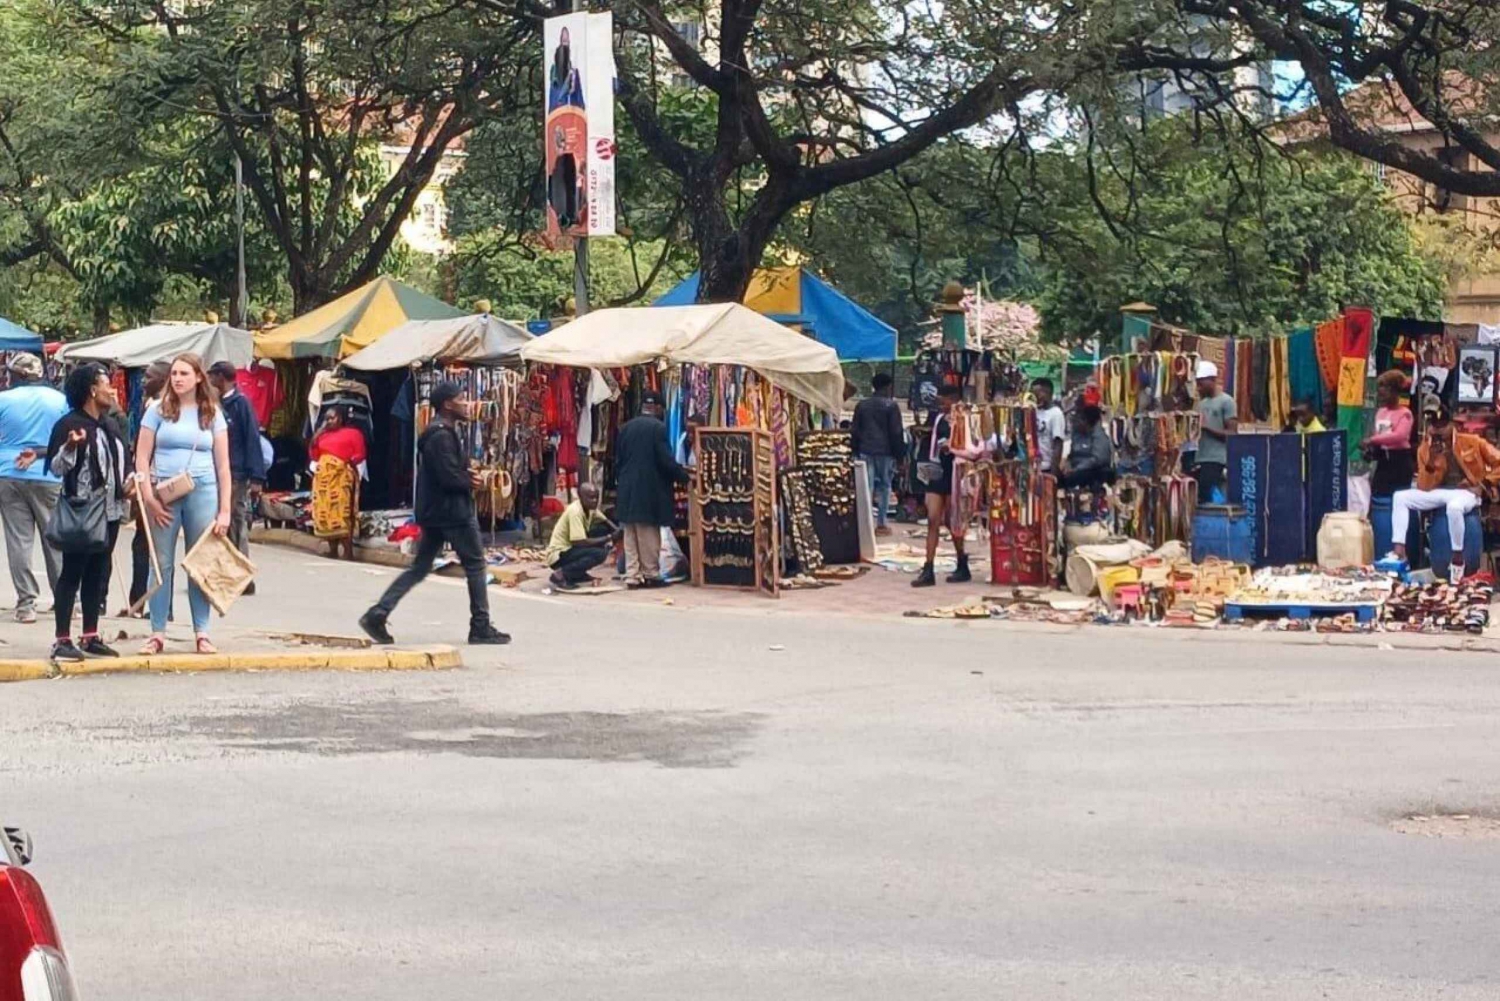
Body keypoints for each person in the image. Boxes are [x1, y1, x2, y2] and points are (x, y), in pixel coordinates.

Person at [359, 381, 508, 646]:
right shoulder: (441, 436)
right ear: (448, 404)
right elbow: (448, 477)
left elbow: (446, 471)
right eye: (461, 399)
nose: (467, 404)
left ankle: (379, 613)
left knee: (420, 568)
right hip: (452, 512)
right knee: (475, 565)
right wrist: (470, 481)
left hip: (435, 512)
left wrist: (463, 473)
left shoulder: (440, 433)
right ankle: (480, 626)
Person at [135, 353, 234, 655]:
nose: (178, 379)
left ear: (198, 377)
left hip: (203, 489)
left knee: (200, 561)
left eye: (184, 374)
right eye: (174, 374)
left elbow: (223, 466)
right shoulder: (157, 410)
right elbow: (141, 457)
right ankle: (157, 632)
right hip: (165, 491)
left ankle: (202, 631)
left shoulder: (212, 413)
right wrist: (148, 497)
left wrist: (225, 510)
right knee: (161, 562)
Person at [44, 364, 129, 663]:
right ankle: (62, 639)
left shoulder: (110, 425)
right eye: (106, 384)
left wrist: (129, 482)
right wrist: (70, 447)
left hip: (110, 511)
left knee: (98, 571)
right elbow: (56, 468)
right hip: (82, 509)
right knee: (72, 572)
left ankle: (90, 635)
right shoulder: (69, 425)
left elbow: (121, 461)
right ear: (92, 390)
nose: (111, 390)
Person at [1389, 398, 1500, 583]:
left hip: (1466, 492)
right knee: (1400, 497)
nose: (1438, 430)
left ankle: (1457, 557)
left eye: (1442, 425)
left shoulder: (1471, 441)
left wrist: (1484, 483)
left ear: (1451, 425)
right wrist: (1432, 459)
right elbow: (1424, 487)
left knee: (1454, 508)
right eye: (1434, 426)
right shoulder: (1425, 448)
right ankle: (1399, 551)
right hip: (1439, 492)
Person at [0, 352, 69, 623]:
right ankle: (66, 600)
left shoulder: (3, 399)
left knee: (19, 540)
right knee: (54, 539)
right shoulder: (60, 400)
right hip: (48, 473)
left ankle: (26, 604)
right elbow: (68, 437)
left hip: (9, 472)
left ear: (18, 375)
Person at [615, 390, 688, 588]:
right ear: (657, 408)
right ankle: (651, 574)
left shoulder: (626, 428)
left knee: (630, 533)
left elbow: (618, 460)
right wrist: (684, 476)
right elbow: (665, 461)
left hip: (627, 488)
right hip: (647, 491)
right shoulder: (658, 429)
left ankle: (632, 575)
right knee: (647, 533)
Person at [207, 362, 267, 590]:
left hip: (236, 474)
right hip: (215, 473)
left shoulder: (240, 404)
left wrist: (257, 477)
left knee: (235, 523)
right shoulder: (216, 404)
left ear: (221, 378)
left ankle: (242, 577)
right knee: (217, 524)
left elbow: (252, 439)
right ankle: (221, 574)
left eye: (212, 377)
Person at [913, 385, 969, 588]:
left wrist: (952, 448)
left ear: (954, 399)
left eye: (944, 401)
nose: (941, 405)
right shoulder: (939, 419)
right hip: (938, 472)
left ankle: (962, 561)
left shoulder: (967, 418)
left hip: (957, 472)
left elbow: (972, 446)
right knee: (932, 519)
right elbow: (933, 446)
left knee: (952, 521)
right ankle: (928, 568)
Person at [128, 361, 172, 613]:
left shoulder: (158, 409)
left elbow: (147, 451)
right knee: (146, 544)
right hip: (149, 482)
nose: (144, 381)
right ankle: (139, 602)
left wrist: (143, 483)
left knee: (151, 546)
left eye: (149, 376)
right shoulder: (152, 405)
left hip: (154, 484)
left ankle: (151, 604)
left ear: (163, 380)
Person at [309, 405, 368, 561]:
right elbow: (314, 455)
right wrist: (318, 433)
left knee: (343, 512)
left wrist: (347, 463)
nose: (328, 421)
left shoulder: (354, 433)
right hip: (324, 480)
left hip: (341, 477)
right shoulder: (322, 435)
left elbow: (360, 454)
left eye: (332, 418)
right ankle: (332, 549)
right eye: (326, 418)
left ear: (340, 418)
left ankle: (348, 551)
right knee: (325, 512)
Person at [850, 372, 905, 536]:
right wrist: (900, 456)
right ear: (888, 387)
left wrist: (854, 450)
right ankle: (881, 523)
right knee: (885, 486)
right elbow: (896, 432)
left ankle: (865, 524)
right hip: (885, 452)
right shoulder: (891, 406)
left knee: (867, 487)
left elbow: (855, 430)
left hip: (865, 450)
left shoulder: (862, 405)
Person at [545, 483, 616, 590]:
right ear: (580, 497)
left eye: (596, 497)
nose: (594, 501)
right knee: (600, 554)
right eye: (590, 498)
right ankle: (560, 574)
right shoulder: (575, 511)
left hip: (571, 548)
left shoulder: (590, 508)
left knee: (601, 529)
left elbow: (606, 521)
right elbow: (579, 542)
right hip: (560, 555)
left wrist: (618, 531)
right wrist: (609, 538)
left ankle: (577, 574)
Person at [1362, 370, 1416, 500]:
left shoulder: (1405, 413)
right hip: (1383, 462)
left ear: (1394, 392)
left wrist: (1372, 440)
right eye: (1380, 395)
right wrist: (1370, 450)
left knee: (1398, 499)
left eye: (1384, 395)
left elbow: (1400, 436)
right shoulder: (1380, 412)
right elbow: (1379, 435)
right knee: (1378, 495)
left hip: (1400, 462)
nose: (1381, 398)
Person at [1193, 360, 1237, 503]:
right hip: (1200, 458)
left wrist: (1206, 427)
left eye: (1201, 383)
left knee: (1210, 497)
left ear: (1212, 380)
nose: (1198, 387)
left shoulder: (1226, 401)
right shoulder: (1201, 404)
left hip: (1217, 459)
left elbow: (1232, 433)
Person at [1058, 405, 1115, 490]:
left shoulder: (1100, 437)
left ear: (1086, 421)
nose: (1076, 422)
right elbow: (1072, 454)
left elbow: (1098, 460)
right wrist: (1067, 463)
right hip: (1075, 469)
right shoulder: (1076, 434)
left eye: (1079, 419)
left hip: (1092, 472)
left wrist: (1077, 469)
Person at [1032, 377, 1066, 476]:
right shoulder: (1033, 411)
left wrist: (1053, 472)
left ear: (1047, 393)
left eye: (1037, 394)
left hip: (1046, 468)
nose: (1035, 398)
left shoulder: (1056, 414)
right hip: (1032, 467)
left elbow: (1058, 444)